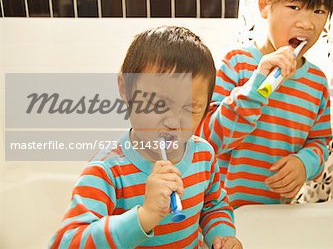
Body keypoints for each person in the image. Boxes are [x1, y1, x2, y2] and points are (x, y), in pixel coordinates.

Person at [49, 26, 242, 249]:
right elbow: (65, 243)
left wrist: (222, 235)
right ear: (125, 89)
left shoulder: (204, 155)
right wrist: (144, 216)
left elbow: (214, 205)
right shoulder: (107, 170)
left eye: (190, 108)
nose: (173, 122)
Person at [197, 0, 333, 208]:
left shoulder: (317, 84)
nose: (307, 23)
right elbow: (205, 139)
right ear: (264, 5)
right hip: (220, 214)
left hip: (275, 215)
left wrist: (305, 163)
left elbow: (321, 143)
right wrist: (256, 86)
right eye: (294, 7)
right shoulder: (237, 64)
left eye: (318, 11)